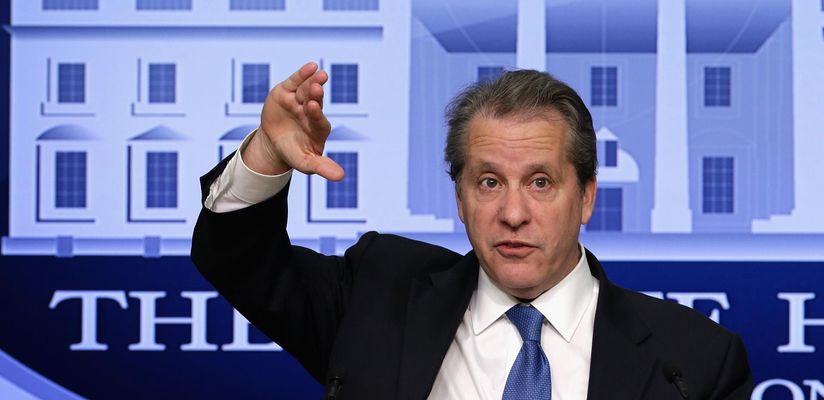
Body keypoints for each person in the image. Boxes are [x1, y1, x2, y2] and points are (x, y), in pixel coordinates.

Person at [191, 62, 752, 399]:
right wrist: (267, 152)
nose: (512, 213)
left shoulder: (695, 361)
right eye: (488, 182)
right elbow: (242, 260)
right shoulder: (377, 296)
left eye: (539, 182)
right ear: (459, 197)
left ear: (586, 197)